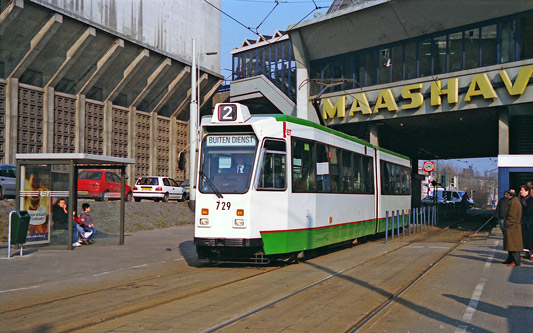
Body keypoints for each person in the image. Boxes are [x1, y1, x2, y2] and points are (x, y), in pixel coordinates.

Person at [503, 189, 522, 266]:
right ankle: (510, 259)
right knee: (510, 245)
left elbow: (512, 215)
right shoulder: (513, 201)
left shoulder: (514, 203)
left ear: (510, 195)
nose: (505, 195)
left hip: (513, 227)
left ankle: (516, 261)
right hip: (512, 226)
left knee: (514, 245)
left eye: (506, 194)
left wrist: (507, 223)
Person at [519, 184, 533, 261]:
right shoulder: (522, 200)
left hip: (530, 222)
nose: (520, 192)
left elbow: (530, 211)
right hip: (524, 221)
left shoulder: (530, 200)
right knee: (525, 238)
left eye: (522, 190)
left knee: (531, 238)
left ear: (527, 191)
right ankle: (526, 253)